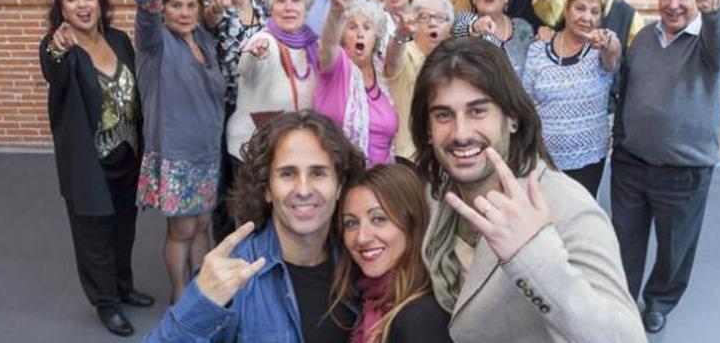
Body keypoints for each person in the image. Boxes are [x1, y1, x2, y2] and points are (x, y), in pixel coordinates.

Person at [410, 37, 646, 342]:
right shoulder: (435, 194)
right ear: (427, 130)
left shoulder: (567, 208)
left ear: (512, 118)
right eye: (443, 115)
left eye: (478, 111)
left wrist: (531, 254)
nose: (461, 133)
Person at [144, 110, 365, 342]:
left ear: (339, 185)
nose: (303, 190)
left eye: (318, 173)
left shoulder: (359, 261)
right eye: (287, 174)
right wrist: (201, 303)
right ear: (267, 188)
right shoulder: (234, 276)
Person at [611, 0, 720, 334]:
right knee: (624, 240)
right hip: (632, 163)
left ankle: (659, 302)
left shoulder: (711, 40)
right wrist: (620, 143)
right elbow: (627, 91)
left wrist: (715, 14)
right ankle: (621, 298)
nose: (672, 4)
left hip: (684, 170)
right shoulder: (646, 37)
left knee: (674, 247)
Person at [39, 0, 154, 337]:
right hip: (89, 164)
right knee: (95, 236)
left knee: (124, 230)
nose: (82, 5)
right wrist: (57, 49)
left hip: (128, 155)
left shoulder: (118, 40)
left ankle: (123, 286)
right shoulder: (59, 47)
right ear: (61, 9)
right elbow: (53, 69)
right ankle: (106, 303)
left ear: (100, 2)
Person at [133, 0, 225, 304]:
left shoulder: (203, 38)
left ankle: (200, 293)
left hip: (206, 152)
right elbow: (146, 10)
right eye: (175, 5)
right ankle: (179, 296)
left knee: (202, 224)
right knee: (183, 228)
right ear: (164, 9)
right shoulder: (155, 43)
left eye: (190, 4)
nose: (184, 12)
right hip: (176, 153)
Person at [330, 164, 452, 343]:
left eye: (378, 219)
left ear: (412, 225)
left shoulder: (421, 318)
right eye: (351, 223)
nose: (361, 238)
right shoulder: (365, 306)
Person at [521, 0, 622, 197]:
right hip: (542, 159)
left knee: (578, 223)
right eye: (580, 8)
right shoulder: (539, 48)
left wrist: (607, 40)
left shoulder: (600, 50)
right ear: (566, 10)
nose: (586, 17)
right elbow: (526, 102)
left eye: (595, 12)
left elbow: (613, 51)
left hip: (587, 160)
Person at [202, 0, 268, 243]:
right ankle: (227, 248)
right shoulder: (217, 7)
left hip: (264, 106)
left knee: (260, 177)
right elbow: (210, 17)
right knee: (228, 185)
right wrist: (217, 10)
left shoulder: (264, 6)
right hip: (228, 107)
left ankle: (261, 242)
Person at [526, 0, 645, 111]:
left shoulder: (631, 17)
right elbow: (551, 7)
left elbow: (637, 65)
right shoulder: (565, 1)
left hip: (605, 109)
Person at [225, 0, 319, 165]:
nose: (289, 7)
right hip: (252, 152)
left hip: (291, 150)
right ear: (271, 7)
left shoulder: (313, 47)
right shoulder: (263, 40)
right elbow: (249, 67)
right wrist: (257, 55)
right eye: (280, 1)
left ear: (306, 7)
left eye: (296, 0)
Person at [315, 0, 398, 167]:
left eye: (367, 28)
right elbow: (327, 45)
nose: (360, 33)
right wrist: (335, 14)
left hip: (381, 181)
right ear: (343, 35)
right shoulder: (336, 63)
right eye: (352, 27)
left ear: (376, 37)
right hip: (340, 175)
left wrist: (401, 34)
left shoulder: (380, 70)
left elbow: (396, 59)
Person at [385, 0, 453, 161]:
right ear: (413, 25)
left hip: (445, 158)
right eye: (425, 17)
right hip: (408, 159)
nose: (433, 23)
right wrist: (400, 35)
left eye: (440, 18)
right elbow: (392, 63)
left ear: (450, 27)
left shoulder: (454, 62)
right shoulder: (405, 54)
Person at [452, 0, 535, 75]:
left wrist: (546, 36)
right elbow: (460, 29)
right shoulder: (465, 19)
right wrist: (475, 28)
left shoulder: (523, 28)